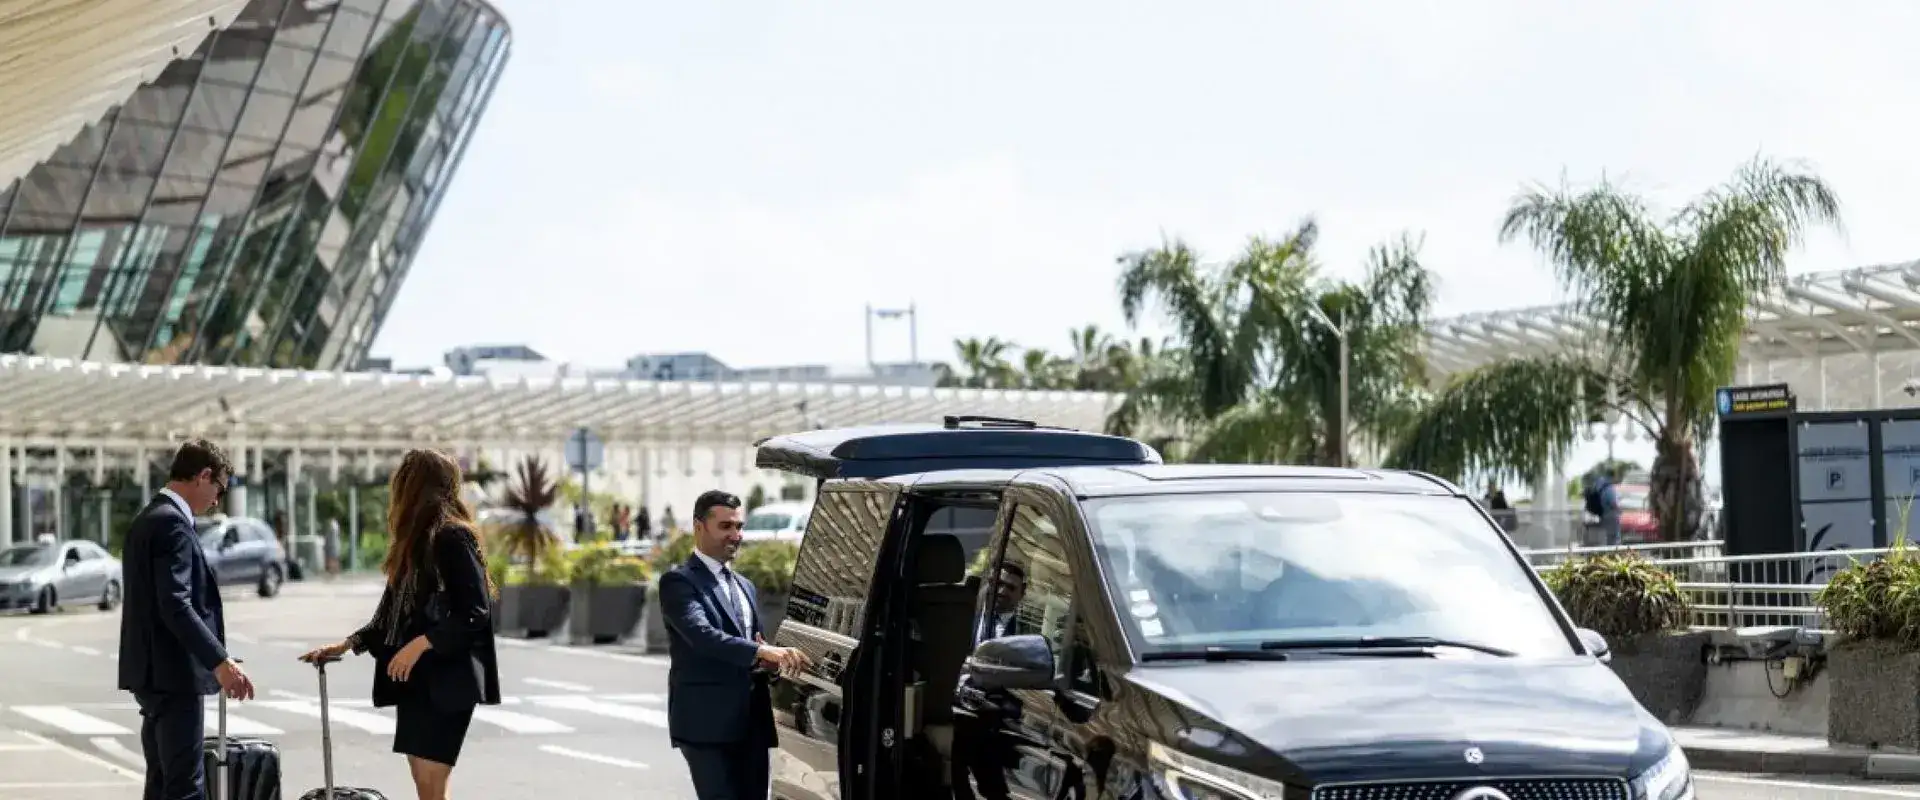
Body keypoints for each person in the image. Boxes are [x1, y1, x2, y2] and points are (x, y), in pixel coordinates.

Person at [301, 449, 500, 800]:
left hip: (445, 678)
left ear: (416, 487)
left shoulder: (452, 537)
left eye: (402, 481)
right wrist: (347, 644)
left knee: (430, 780)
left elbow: (476, 610)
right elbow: (390, 615)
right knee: (425, 782)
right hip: (417, 679)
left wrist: (421, 643)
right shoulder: (415, 542)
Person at [117, 438, 255, 800]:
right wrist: (218, 661)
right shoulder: (173, 526)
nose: (217, 501)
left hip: (151, 674)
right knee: (184, 787)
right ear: (203, 476)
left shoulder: (147, 519)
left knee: (161, 782)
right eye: (218, 489)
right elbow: (176, 603)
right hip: (174, 675)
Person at [659, 489, 812, 800]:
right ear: (699, 527)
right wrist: (761, 651)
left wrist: (770, 663)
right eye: (725, 526)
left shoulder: (745, 586)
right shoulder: (679, 583)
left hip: (751, 723)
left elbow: (752, 646)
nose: (735, 535)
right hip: (706, 725)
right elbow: (701, 635)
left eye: (739, 527)